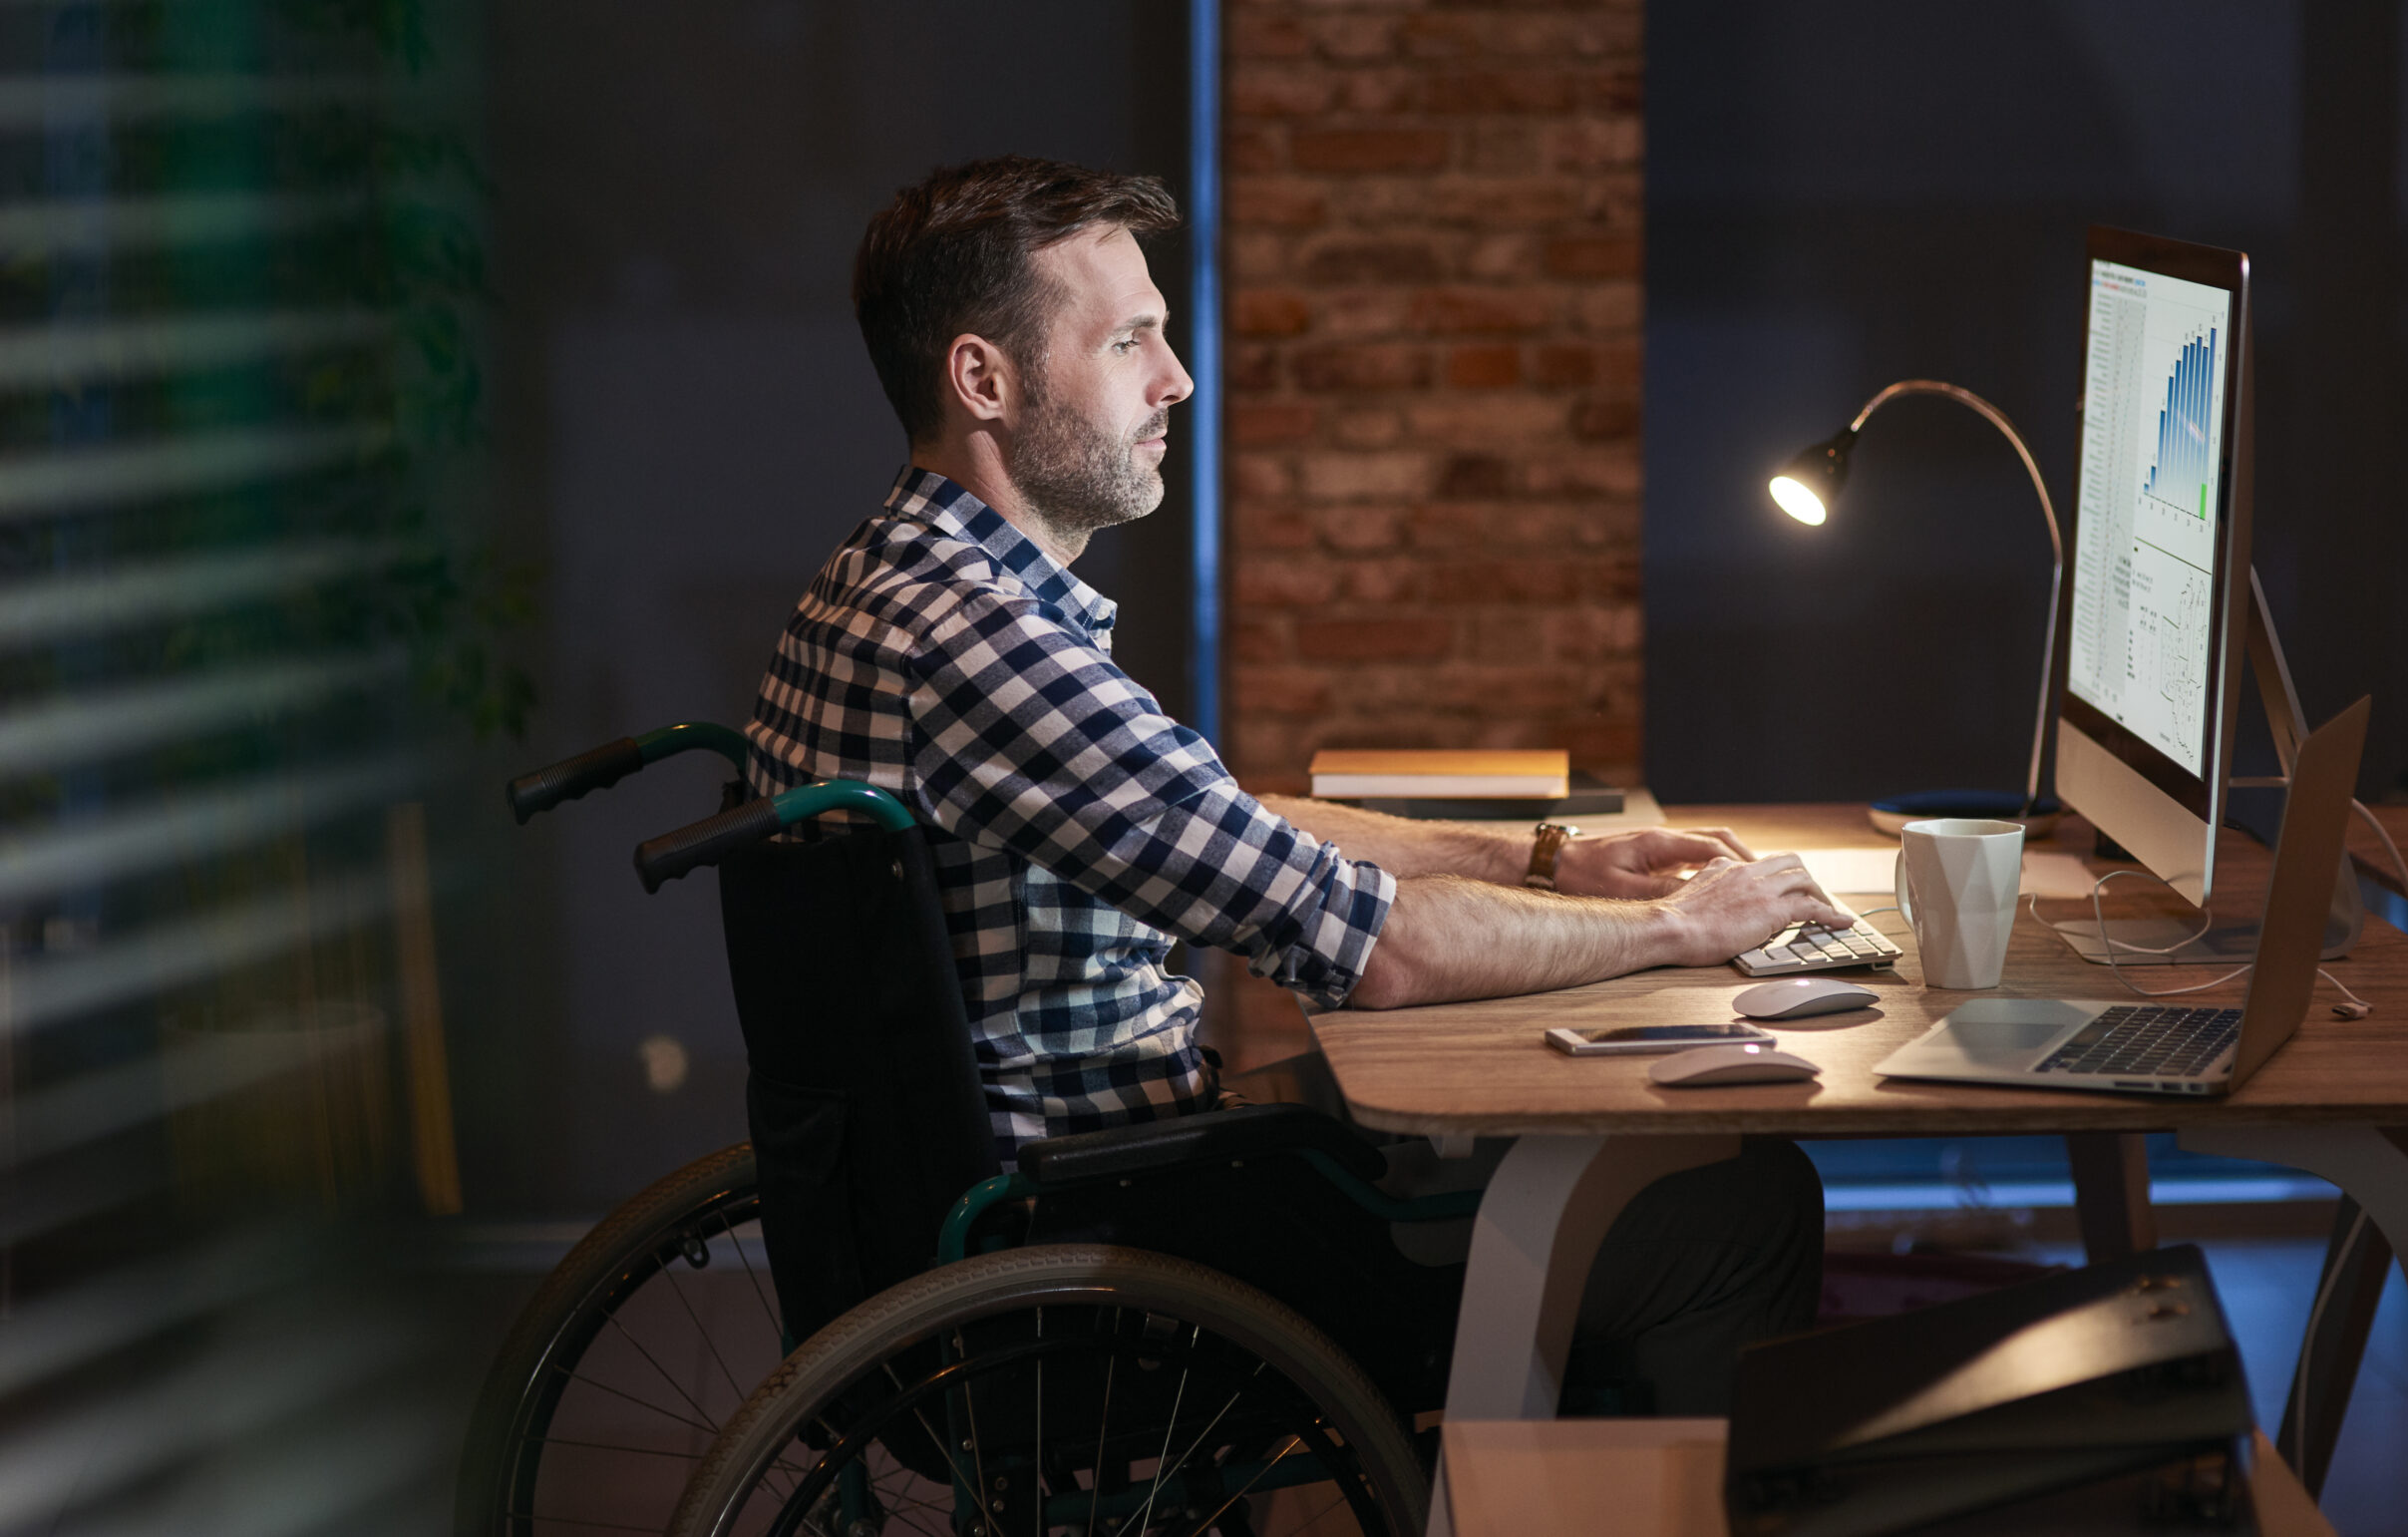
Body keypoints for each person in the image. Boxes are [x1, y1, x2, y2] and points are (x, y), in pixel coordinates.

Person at [747, 155, 1852, 1412]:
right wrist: (1678, 928)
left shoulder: (878, 583)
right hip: (1098, 1251)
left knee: (1519, 1145)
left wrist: (1542, 860)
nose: (1179, 379)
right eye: (1129, 342)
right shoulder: (981, 644)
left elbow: (1225, 822)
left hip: (1031, 1198)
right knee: (1734, 1202)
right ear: (981, 379)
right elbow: (1381, 953)